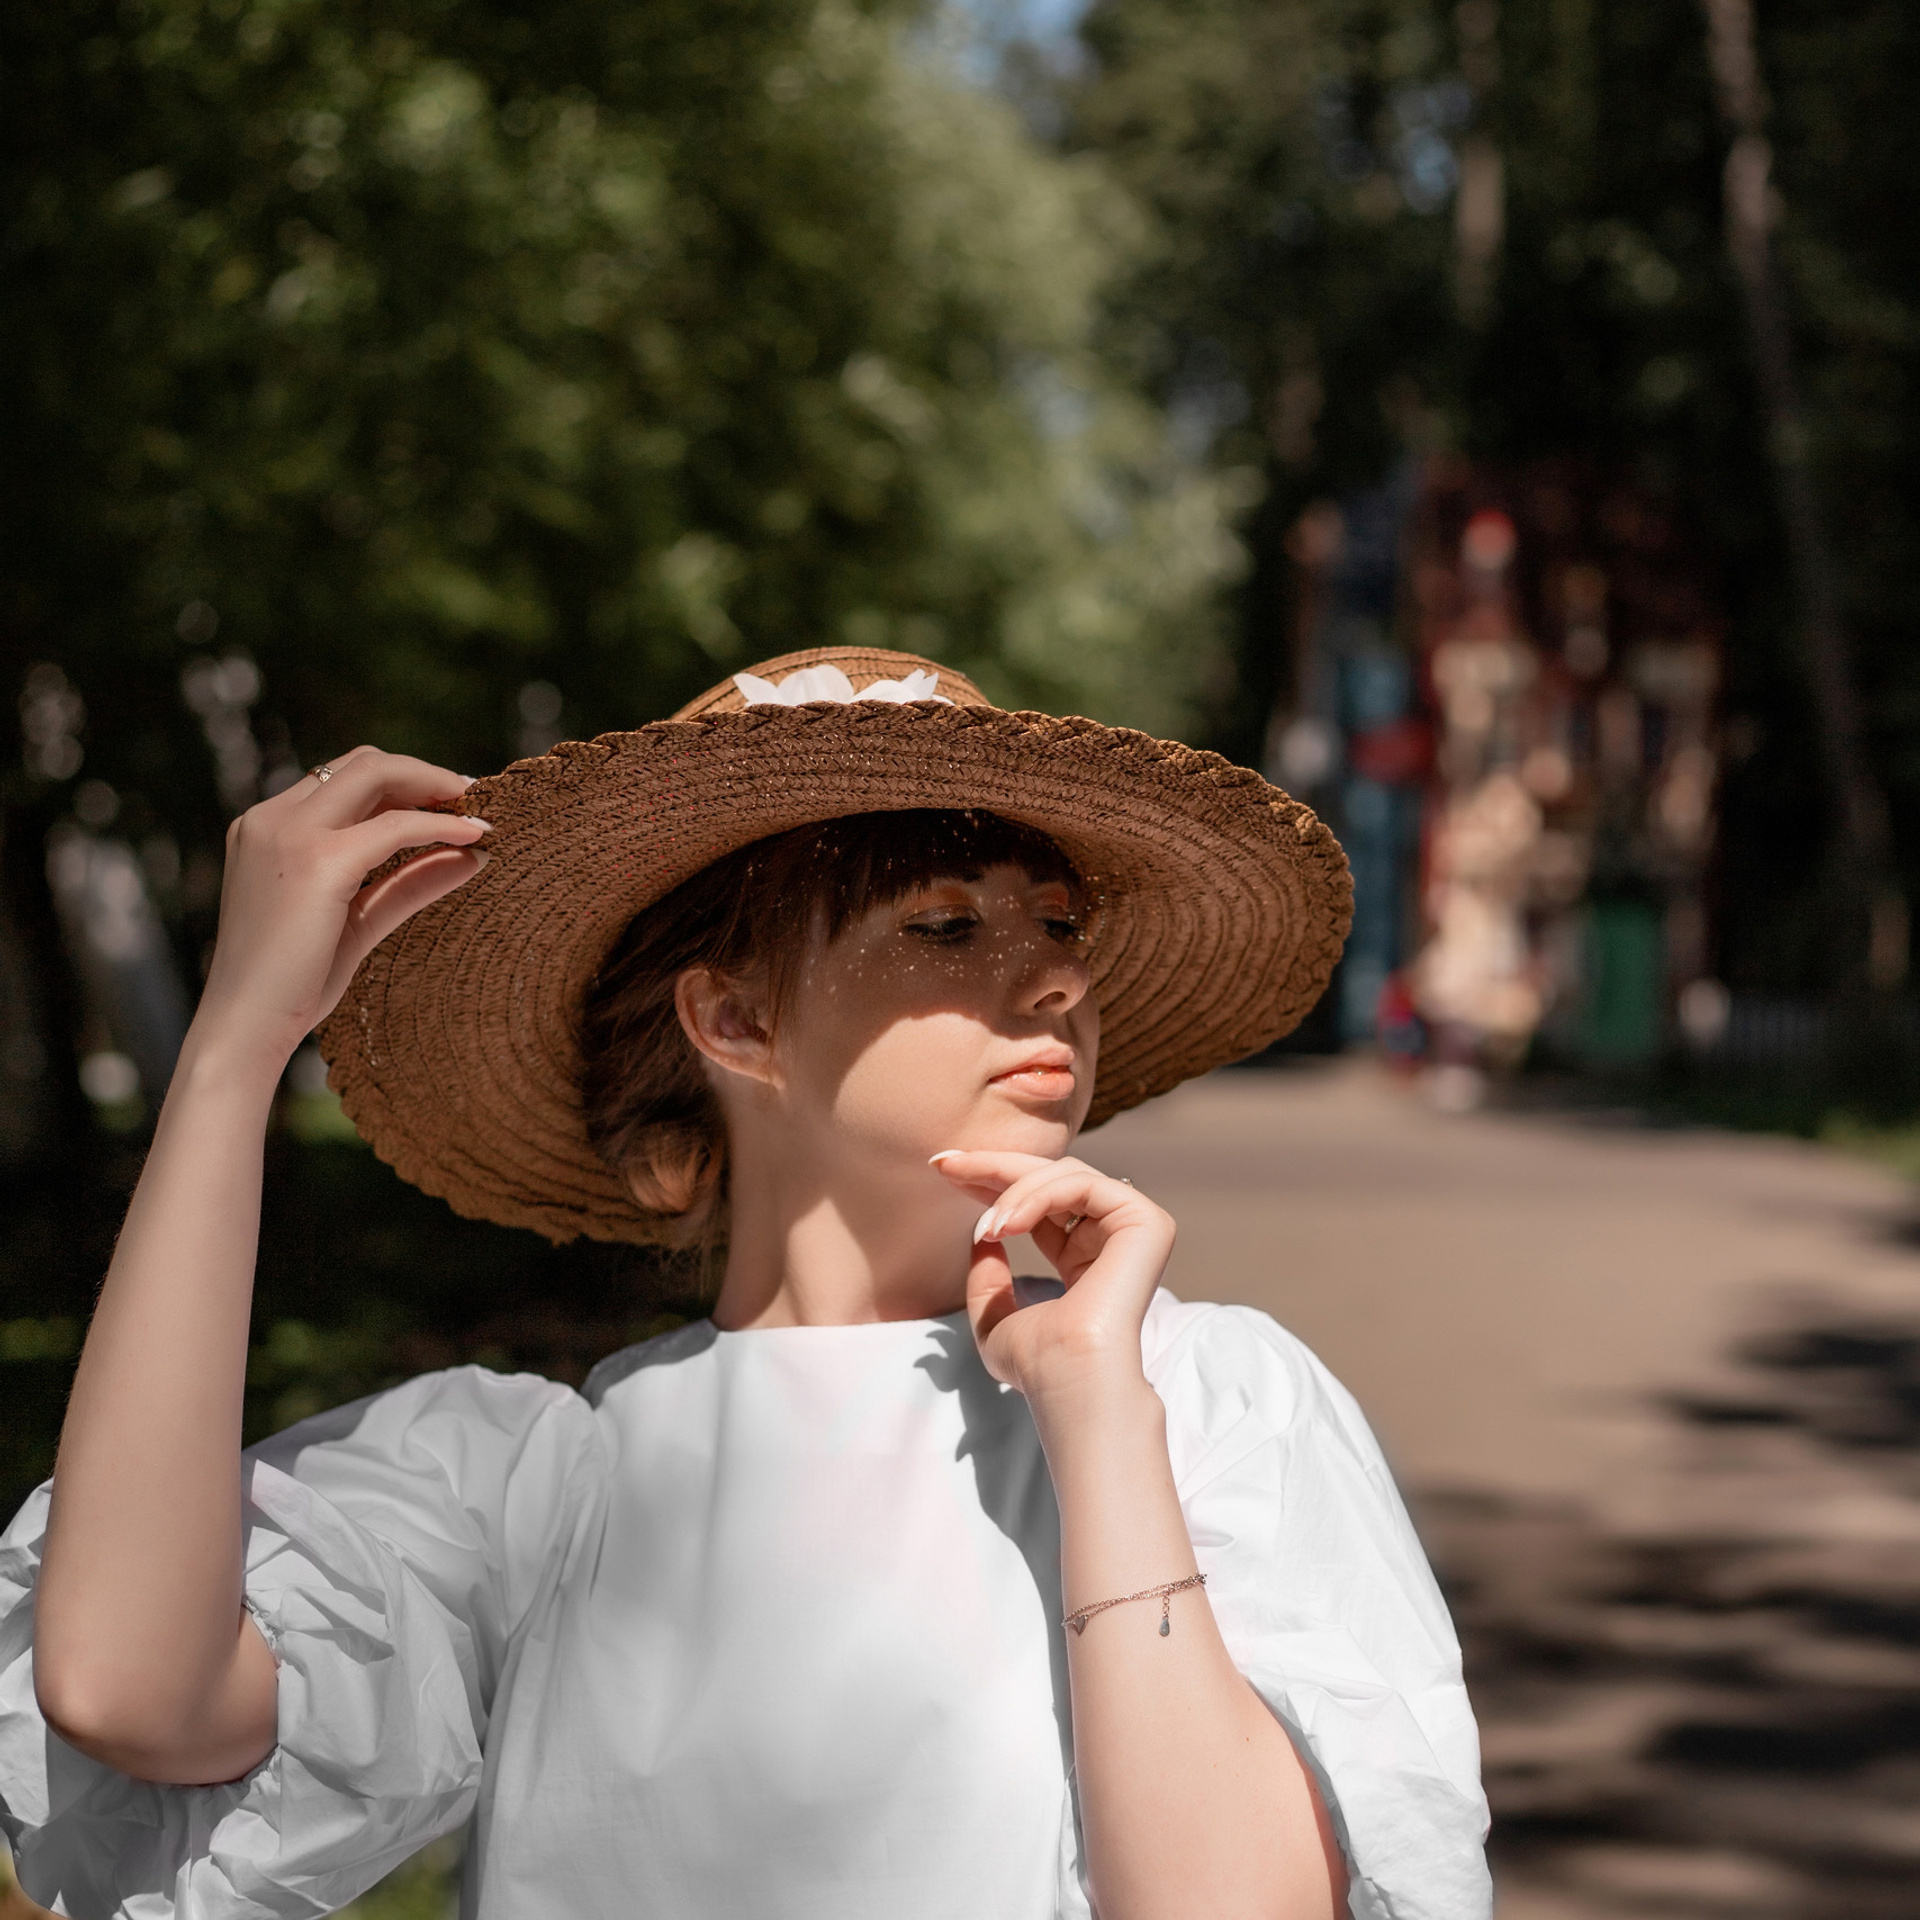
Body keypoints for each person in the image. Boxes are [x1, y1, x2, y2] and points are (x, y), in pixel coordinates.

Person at [0, 648, 1490, 1920]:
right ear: (734, 1018)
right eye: (949, 923)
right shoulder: (541, 1493)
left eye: (1061, 925)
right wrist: (232, 1055)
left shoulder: (1205, 1398)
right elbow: (129, 1689)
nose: (1054, 981)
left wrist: (1099, 1423)